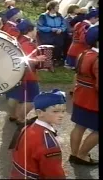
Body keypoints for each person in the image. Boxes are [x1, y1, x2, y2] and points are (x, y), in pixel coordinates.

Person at [9, 89, 66, 179]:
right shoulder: (49, 145)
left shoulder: (26, 127)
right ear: (39, 113)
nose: (61, 115)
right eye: (55, 111)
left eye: (63, 111)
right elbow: (54, 174)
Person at [5, 19, 46, 125]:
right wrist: (38, 59)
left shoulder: (18, 40)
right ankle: (21, 119)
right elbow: (26, 61)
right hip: (27, 76)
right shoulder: (27, 44)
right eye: (35, 29)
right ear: (30, 30)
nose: (36, 31)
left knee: (18, 97)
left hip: (17, 75)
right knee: (32, 99)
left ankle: (14, 115)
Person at [69, 25, 99, 166]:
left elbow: (77, 75)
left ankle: (74, 154)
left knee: (79, 126)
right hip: (94, 100)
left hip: (80, 96)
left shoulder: (83, 53)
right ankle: (82, 155)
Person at [37, 0, 67, 67]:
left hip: (58, 35)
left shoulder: (59, 16)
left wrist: (61, 29)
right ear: (52, 7)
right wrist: (51, 29)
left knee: (58, 47)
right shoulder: (43, 16)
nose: (58, 7)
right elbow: (40, 26)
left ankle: (55, 61)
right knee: (48, 48)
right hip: (47, 35)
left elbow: (64, 25)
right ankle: (46, 62)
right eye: (57, 6)